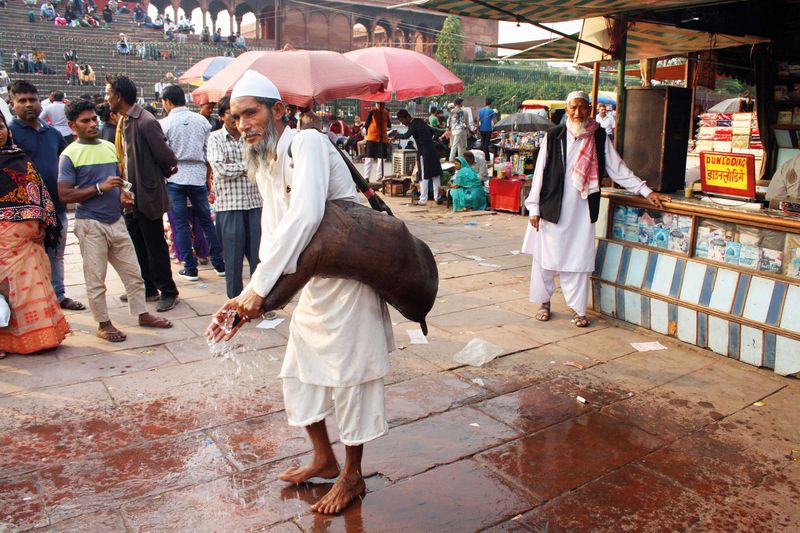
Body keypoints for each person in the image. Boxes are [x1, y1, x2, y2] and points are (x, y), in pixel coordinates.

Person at [208, 70, 394, 515]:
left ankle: (352, 475)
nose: (242, 124)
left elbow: (306, 216)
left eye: (250, 113)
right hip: (312, 285)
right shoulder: (266, 161)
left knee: (352, 380)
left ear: (277, 111)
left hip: (348, 283)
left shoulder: (308, 143)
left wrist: (257, 292)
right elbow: (274, 236)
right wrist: (252, 298)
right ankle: (324, 457)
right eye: (235, 117)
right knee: (300, 373)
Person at [522, 90, 669, 328]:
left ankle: (578, 309)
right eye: (574, 108)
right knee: (545, 258)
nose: (579, 113)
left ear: (590, 109)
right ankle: (544, 302)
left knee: (579, 259)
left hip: (582, 209)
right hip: (552, 206)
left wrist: (646, 191)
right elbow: (540, 172)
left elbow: (618, 169)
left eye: (583, 108)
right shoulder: (554, 135)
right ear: (567, 110)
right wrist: (534, 207)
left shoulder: (599, 136)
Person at [57, 100, 173, 342]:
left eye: (93, 119)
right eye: (85, 121)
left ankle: (142, 313)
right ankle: (103, 323)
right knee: (96, 279)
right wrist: (100, 188)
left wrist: (123, 192)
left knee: (134, 273)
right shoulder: (69, 155)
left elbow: (120, 178)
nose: (92, 124)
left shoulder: (109, 147)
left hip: (116, 221)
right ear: (71, 126)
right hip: (90, 224)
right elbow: (65, 194)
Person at [106, 75, 180, 311]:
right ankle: (147, 287)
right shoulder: (124, 121)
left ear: (119, 96)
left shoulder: (145, 122)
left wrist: (153, 181)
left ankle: (168, 290)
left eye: (108, 93)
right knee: (137, 244)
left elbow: (167, 158)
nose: (106, 98)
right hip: (131, 196)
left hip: (146, 195)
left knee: (155, 245)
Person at [10, 81, 85, 312]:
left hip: (56, 206)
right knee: (26, 260)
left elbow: (66, 164)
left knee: (56, 254)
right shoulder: (8, 134)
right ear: (13, 105)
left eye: (32, 99)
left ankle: (58, 295)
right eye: (22, 100)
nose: (29, 104)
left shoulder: (52, 133)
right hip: (24, 210)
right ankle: (30, 304)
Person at [0, 112, 70, 357]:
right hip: (3, 241)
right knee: (7, 292)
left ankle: (44, 337)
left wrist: (43, 222)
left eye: (0, 126)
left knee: (32, 285)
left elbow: (38, 192)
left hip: (29, 239)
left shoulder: (19, 158)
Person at [159, 84, 224, 281]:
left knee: (180, 224)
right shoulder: (202, 122)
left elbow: (164, 153)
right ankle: (219, 264)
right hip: (197, 175)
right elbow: (207, 150)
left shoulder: (164, 124)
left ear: (168, 101)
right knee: (206, 221)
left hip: (176, 175)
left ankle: (190, 266)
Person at [206, 96, 262, 298]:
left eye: (240, 115)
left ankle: (257, 302)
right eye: (233, 115)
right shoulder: (215, 138)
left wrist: (238, 167)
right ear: (222, 116)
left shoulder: (250, 137)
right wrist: (248, 167)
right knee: (233, 260)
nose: (238, 120)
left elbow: (262, 165)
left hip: (255, 203)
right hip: (229, 207)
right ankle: (235, 304)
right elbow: (220, 170)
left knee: (258, 259)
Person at [393, 109, 442, 205]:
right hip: (432, 149)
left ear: (407, 117)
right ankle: (438, 197)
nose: (403, 124)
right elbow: (432, 131)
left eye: (402, 121)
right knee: (435, 175)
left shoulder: (413, 124)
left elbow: (406, 136)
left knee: (424, 175)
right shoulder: (420, 121)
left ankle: (423, 199)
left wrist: (396, 136)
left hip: (424, 151)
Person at [363, 102, 391, 182]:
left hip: (383, 138)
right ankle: (366, 177)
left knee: (382, 159)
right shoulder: (372, 111)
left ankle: (379, 176)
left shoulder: (386, 112)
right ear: (377, 104)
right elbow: (367, 124)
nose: (382, 105)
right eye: (380, 104)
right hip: (372, 137)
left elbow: (389, 125)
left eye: (383, 104)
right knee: (369, 158)